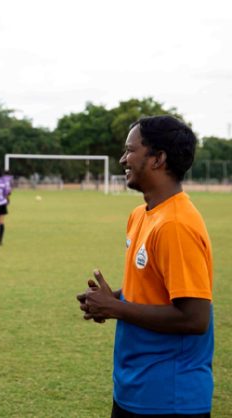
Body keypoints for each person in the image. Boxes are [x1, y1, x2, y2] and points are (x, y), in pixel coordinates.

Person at [77, 116, 214, 417]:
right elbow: (156, 288)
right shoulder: (141, 214)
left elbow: (194, 317)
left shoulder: (176, 224)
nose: (123, 158)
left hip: (169, 397)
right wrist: (114, 298)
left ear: (158, 158)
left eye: (130, 150)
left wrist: (117, 309)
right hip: (134, 387)